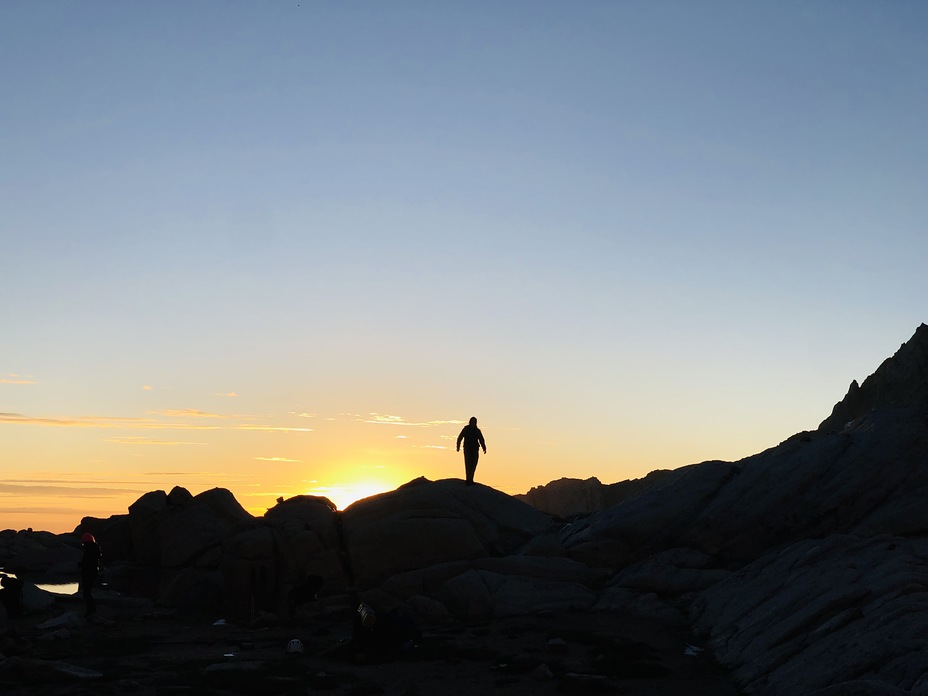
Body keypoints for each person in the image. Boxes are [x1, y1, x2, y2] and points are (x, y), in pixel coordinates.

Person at [456, 416, 487, 486]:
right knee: (468, 464)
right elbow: (460, 437)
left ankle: (471, 479)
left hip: (475, 449)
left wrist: (484, 447)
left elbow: (481, 439)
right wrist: (458, 446)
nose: (473, 423)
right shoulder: (466, 429)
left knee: (473, 464)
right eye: (472, 422)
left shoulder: (477, 431)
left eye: (474, 422)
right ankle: (468, 479)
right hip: (467, 449)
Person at [78, 532, 101, 618]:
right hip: (93, 572)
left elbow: (87, 561)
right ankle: (91, 610)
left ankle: (91, 610)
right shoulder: (95, 548)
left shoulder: (89, 549)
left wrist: (81, 564)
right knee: (87, 592)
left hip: (88, 572)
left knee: (86, 592)